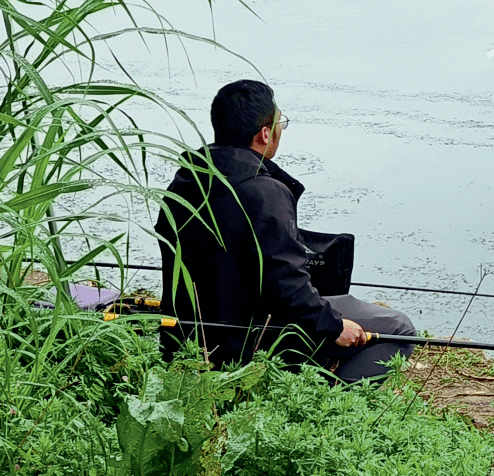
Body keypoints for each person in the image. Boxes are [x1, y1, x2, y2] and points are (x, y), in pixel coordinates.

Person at [156, 79, 416, 382]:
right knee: (398, 329)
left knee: (344, 302)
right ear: (265, 134)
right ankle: (329, 403)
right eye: (280, 123)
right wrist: (333, 327)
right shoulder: (263, 192)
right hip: (251, 338)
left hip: (190, 336)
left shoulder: (186, 181)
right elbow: (285, 284)